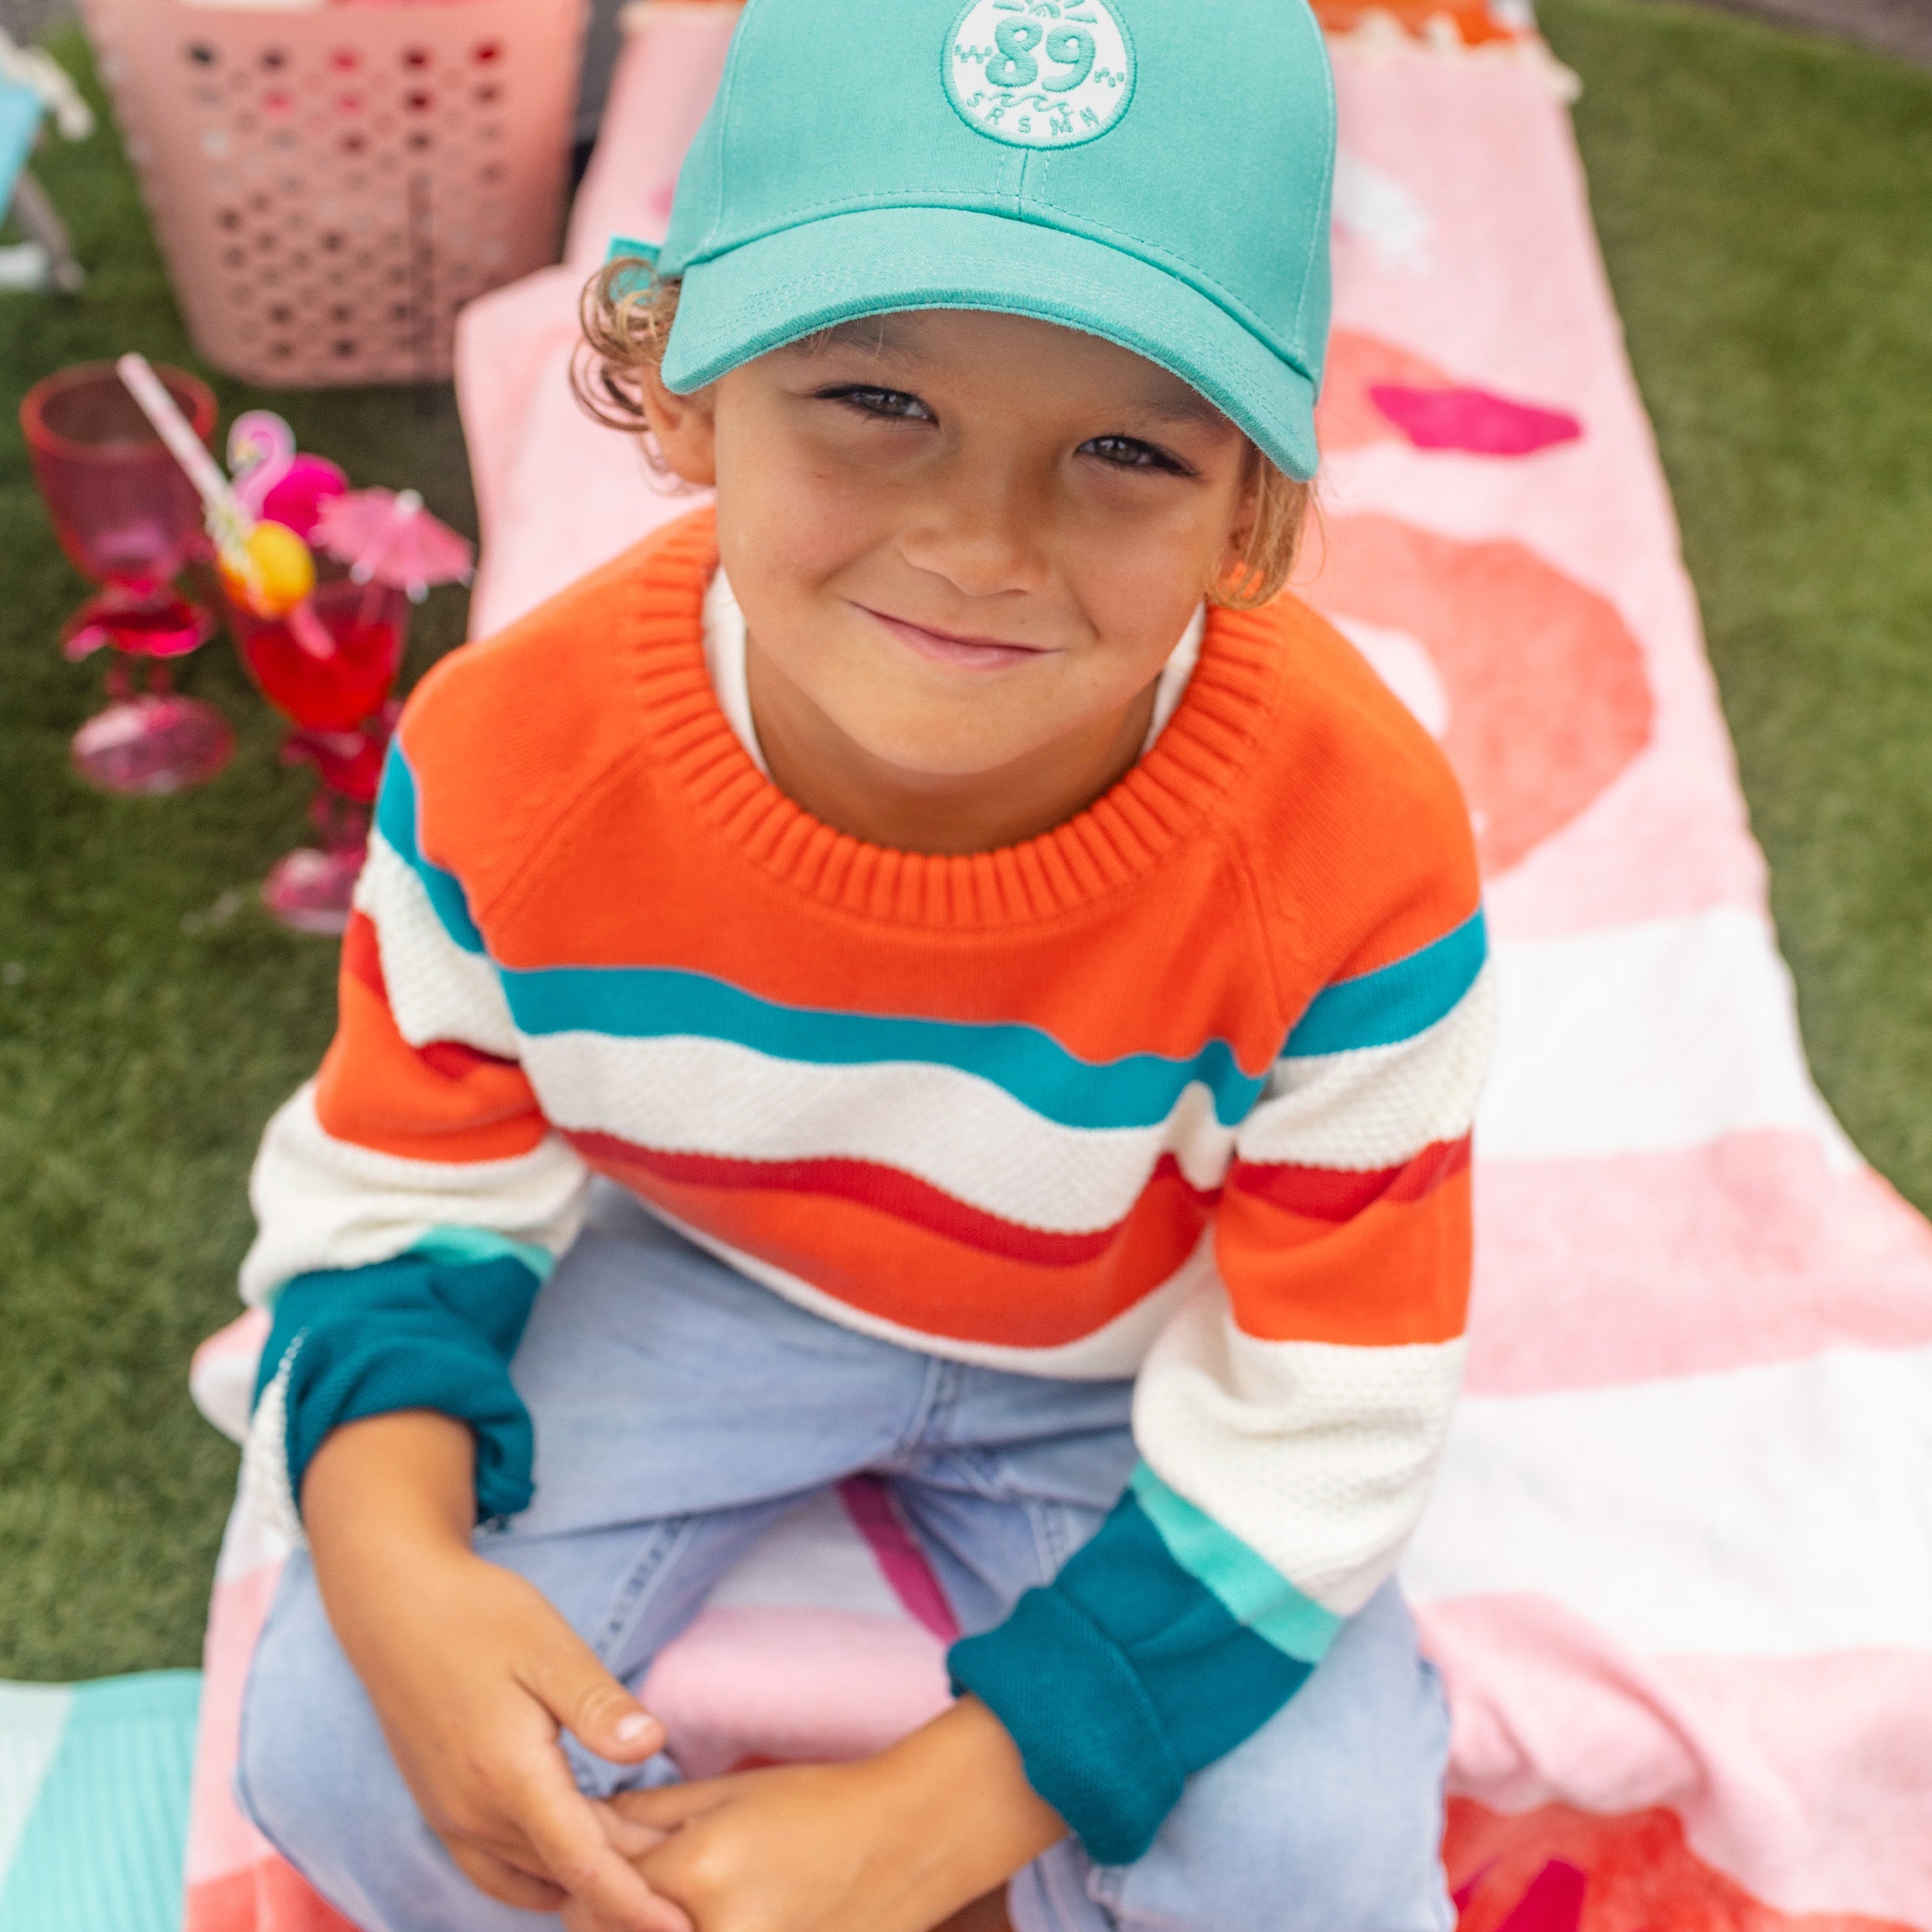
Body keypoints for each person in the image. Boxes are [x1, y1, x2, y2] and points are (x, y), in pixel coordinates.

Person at [230, 0, 1492, 1926]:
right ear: (678, 388)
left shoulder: (1351, 844)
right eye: (874, 402)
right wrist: (391, 1555)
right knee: (337, 1742)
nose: (981, 544)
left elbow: (1331, 1406)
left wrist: (942, 1813)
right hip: (707, 1270)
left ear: (1251, 508)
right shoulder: (513, 759)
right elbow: (398, 1185)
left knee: (1312, 1867)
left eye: (1125, 447)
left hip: (1131, 1345)